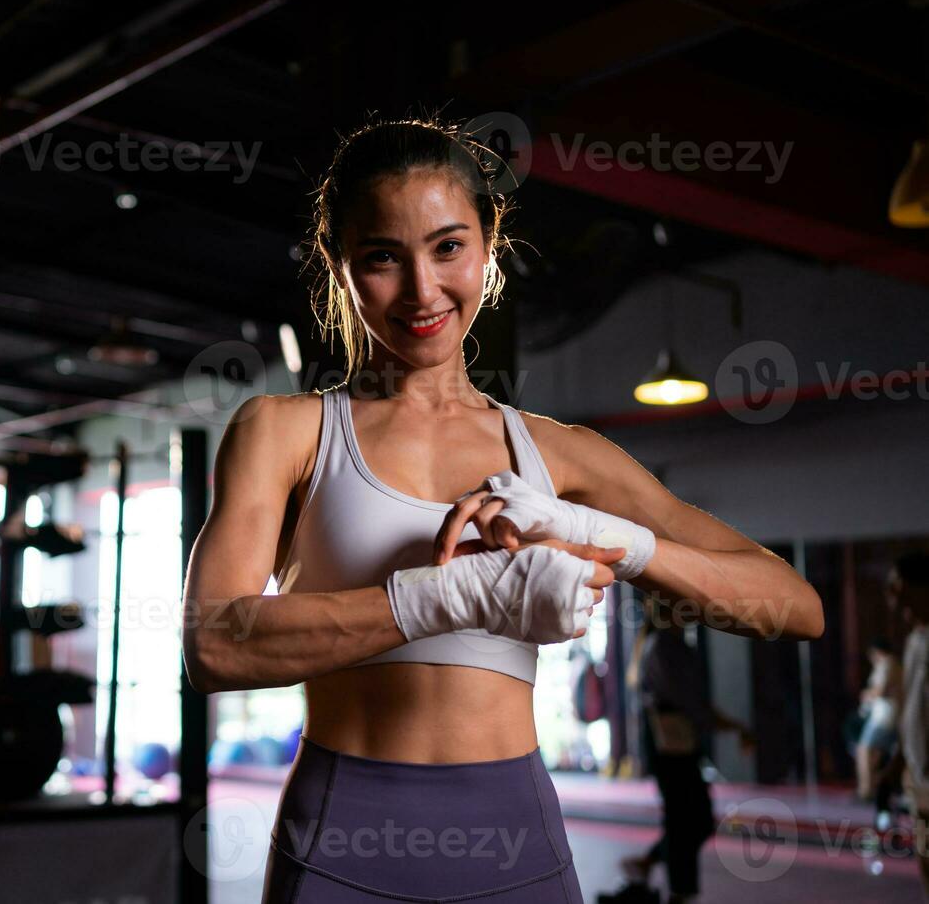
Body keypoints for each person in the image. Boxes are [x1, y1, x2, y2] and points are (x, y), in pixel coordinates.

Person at [180, 117, 824, 904]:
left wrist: (614, 541)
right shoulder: (287, 431)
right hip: (340, 842)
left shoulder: (559, 454)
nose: (422, 291)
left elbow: (795, 606)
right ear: (340, 267)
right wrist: (457, 596)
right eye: (383, 257)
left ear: (488, 249)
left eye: (448, 247)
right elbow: (215, 644)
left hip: (516, 840)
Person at [615, 595, 754, 904]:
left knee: (690, 818)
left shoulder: (671, 646)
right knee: (688, 819)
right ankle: (679, 889)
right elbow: (692, 704)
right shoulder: (664, 648)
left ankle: (660, 871)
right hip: (670, 744)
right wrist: (732, 726)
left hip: (675, 743)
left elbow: (694, 703)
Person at [886, 550, 929, 899]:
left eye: (901, 588)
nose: (895, 597)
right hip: (920, 780)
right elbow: (912, 709)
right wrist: (899, 763)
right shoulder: (916, 638)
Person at [856, 636, 903, 804]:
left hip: (884, 717)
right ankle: (872, 787)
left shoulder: (887, 664)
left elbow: (881, 690)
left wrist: (867, 694)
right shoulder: (889, 664)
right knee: (875, 755)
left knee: (865, 750)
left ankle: (866, 791)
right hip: (886, 715)